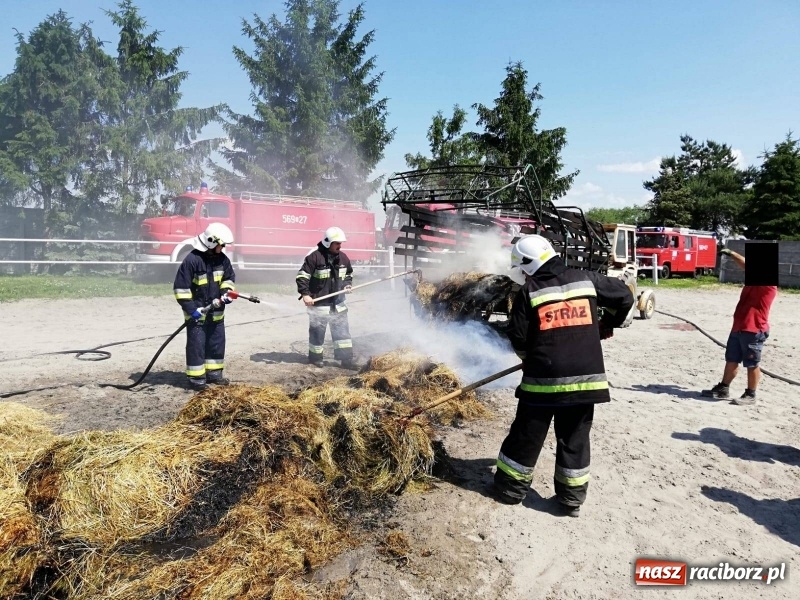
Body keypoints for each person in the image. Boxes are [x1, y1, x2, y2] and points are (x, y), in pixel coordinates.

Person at [492, 235, 635, 516]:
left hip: (542, 382)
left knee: (526, 435)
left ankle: (509, 490)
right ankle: (571, 499)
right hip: (586, 381)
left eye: (522, 269)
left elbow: (518, 336)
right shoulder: (587, 279)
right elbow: (625, 295)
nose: (523, 275)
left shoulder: (529, 291)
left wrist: (528, 358)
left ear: (529, 265)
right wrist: (607, 323)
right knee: (574, 439)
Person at [701, 248, 777, 405]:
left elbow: (745, 264)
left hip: (754, 329)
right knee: (732, 359)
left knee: (752, 364)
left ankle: (751, 394)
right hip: (739, 327)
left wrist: (731, 253)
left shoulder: (768, 284)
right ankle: (723, 388)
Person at [173, 222, 236, 390]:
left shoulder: (223, 260)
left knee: (216, 343)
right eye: (221, 245)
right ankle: (197, 379)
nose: (223, 248)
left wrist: (226, 293)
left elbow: (229, 278)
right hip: (197, 314)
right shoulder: (192, 260)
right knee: (197, 345)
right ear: (211, 242)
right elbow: (181, 289)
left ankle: (214, 374)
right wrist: (191, 310)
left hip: (216, 313)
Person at [295, 226, 356, 369]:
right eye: (337, 243)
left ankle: (346, 360)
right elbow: (302, 277)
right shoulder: (314, 258)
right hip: (319, 306)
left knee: (343, 335)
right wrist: (305, 294)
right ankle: (315, 358)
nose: (340, 246)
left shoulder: (343, 258)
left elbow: (349, 274)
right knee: (317, 334)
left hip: (338, 305)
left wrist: (347, 285)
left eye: (341, 243)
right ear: (328, 243)